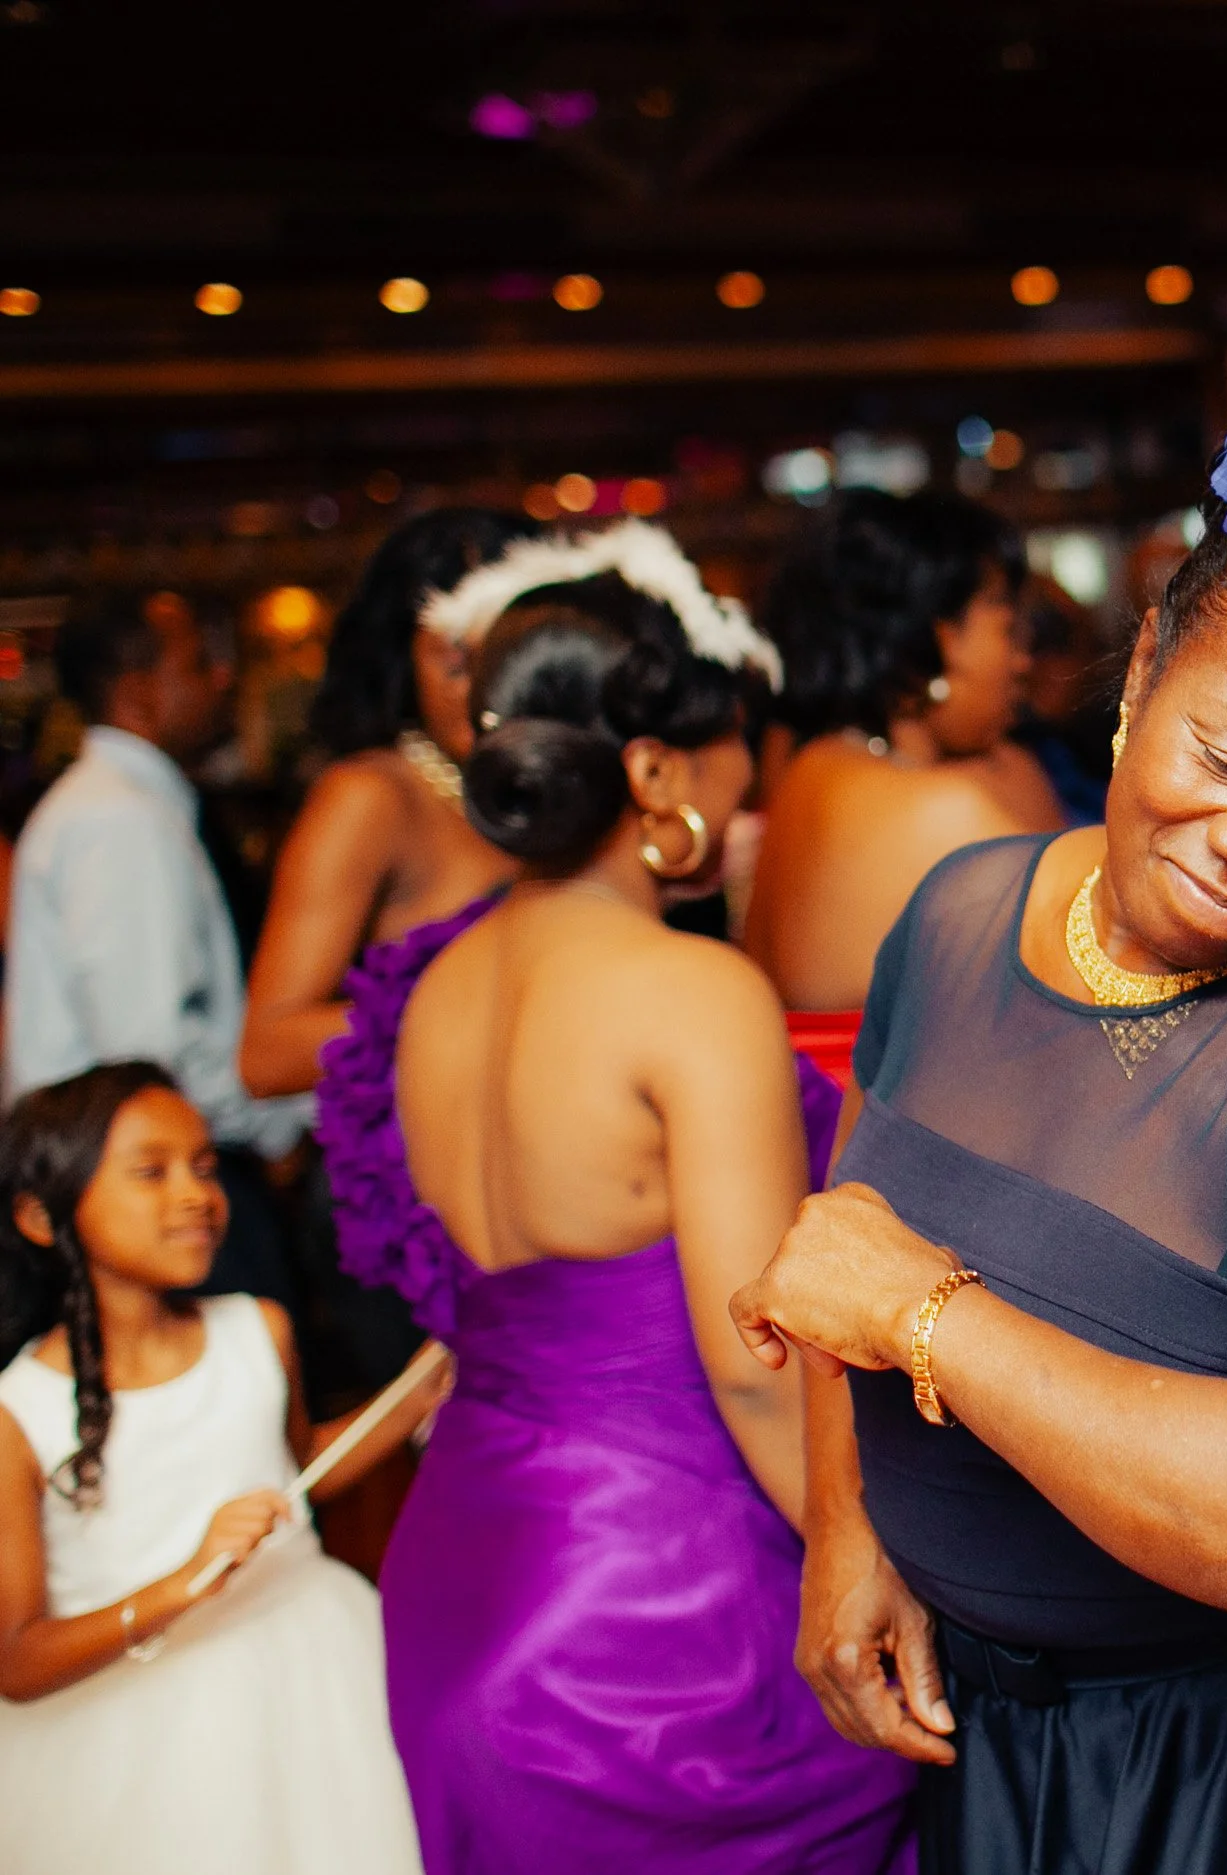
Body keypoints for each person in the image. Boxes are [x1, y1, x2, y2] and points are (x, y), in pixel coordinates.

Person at [725, 225, 1227, 1875]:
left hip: (1226, 1771)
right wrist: (846, 1525)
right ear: (1136, 684)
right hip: (985, 1738)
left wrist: (933, 1318)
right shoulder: (958, 907)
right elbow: (848, 1247)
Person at [323, 525, 917, 1869]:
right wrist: (867, 1571)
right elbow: (756, 1362)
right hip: (659, 1612)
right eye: (735, 748)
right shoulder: (693, 995)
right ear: (654, 771)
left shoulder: (428, 991)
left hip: (462, 1577)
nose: (751, 782)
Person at [0, 1062, 431, 1874]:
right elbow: (16, 1659)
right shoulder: (17, 1409)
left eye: (203, 1166)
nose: (196, 1194)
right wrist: (183, 1584)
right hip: (145, 1732)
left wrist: (412, 1398)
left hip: (312, 1665)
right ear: (39, 1214)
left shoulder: (259, 1329)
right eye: (150, 1171)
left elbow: (292, 1470)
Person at [239, 509, 537, 1404]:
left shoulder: (541, 790)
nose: (480, 686)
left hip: (533, 1182)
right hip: (407, 1206)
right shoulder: (371, 795)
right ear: (401, 656)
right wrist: (458, 1006)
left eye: (502, 650)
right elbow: (267, 1050)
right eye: (453, 657)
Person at [6, 591, 308, 1304]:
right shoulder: (118, 817)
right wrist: (279, 1125)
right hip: (142, 1184)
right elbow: (147, 1047)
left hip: (135, 1174)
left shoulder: (121, 804)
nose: (223, 679)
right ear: (139, 693)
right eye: (199, 664)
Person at [745, 488, 1061, 1080]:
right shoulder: (944, 815)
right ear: (939, 638)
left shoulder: (808, 771)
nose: (1023, 661)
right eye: (1007, 625)